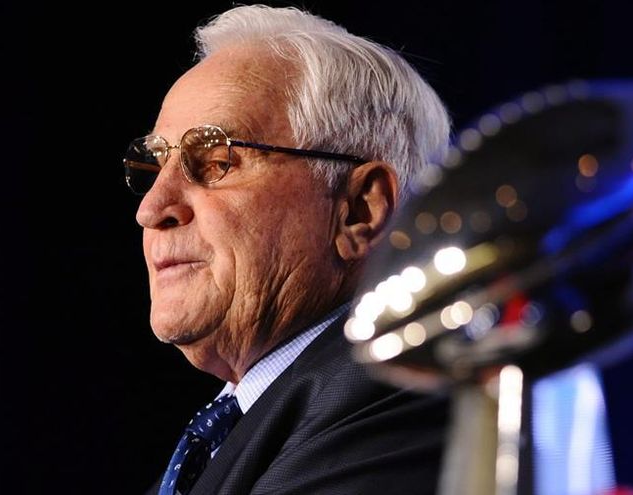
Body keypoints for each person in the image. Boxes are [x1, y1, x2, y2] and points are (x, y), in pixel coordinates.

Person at [124, 5, 452, 494]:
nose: (152, 209)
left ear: (358, 210)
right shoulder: (240, 428)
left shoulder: (400, 393)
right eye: (154, 167)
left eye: (215, 161)